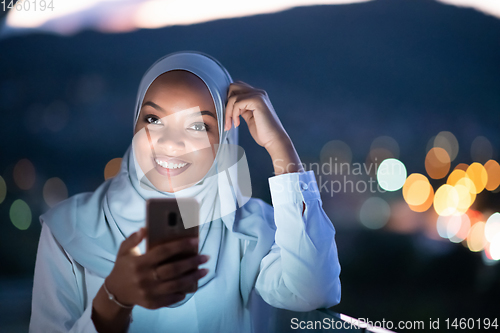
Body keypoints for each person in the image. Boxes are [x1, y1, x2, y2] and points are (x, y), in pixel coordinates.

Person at [29, 50, 341, 333]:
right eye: (153, 119)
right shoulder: (69, 228)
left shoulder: (250, 226)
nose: (170, 142)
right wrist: (115, 298)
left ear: (224, 141)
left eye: (197, 126)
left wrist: (280, 147)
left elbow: (313, 290)